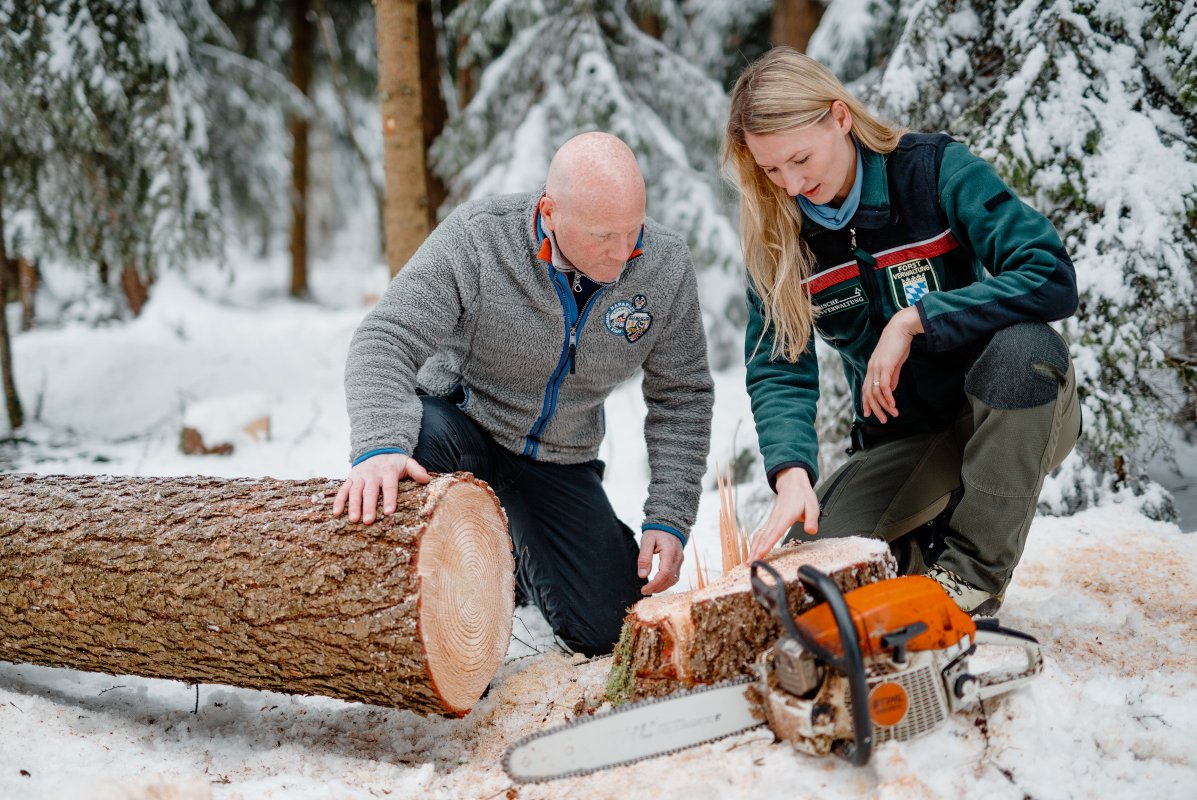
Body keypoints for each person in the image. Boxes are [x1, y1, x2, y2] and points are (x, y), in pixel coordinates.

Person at [725, 48, 1081, 616]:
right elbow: (779, 369)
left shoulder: (934, 169)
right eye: (771, 170)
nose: (790, 185)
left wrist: (915, 320)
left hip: (1012, 409)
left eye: (799, 159)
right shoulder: (779, 236)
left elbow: (1050, 275)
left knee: (1026, 348)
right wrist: (791, 471)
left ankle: (970, 578)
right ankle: (924, 553)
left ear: (839, 118)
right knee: (807, 583)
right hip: (903, 441)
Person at [332, 132, 714, 656]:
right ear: (550, 211)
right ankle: (423, 626)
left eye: (634, 230)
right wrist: (378, 444)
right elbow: (385, 337)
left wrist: (670, 515)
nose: (624, 253)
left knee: (610, 628)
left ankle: (514, 551)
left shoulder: (665, 267)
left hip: (559, 460)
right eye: (604, 236)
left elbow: (683, 396)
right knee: (410, 453)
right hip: (462, 432)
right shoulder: (479, 239)